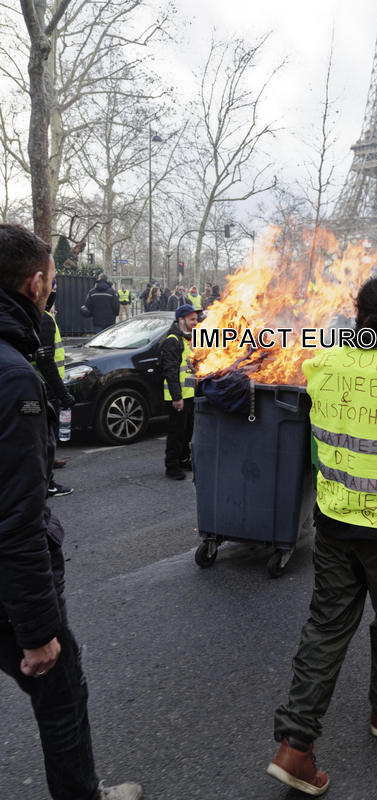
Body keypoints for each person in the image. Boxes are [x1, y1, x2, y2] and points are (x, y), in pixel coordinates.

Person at [267, 275, 377, 795]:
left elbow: (317, 438)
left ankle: (294, 746)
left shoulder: (321, 364)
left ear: (357, 313)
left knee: (326, 626)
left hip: (334, 521)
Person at [0, 223, 142, 800]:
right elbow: (15, 520)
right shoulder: (13, 378)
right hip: (11, 589)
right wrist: (37, 634)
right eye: (53, 280)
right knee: (61, 693)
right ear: (36, 284)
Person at [34, 278, 74, 497]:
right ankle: (46, 482)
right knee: (45, 437)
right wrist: (63, 393)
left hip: (39, 387)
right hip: (46, 388)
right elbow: (46, 361)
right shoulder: (45, 319)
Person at [159, 303, 198, 480]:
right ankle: (171, 466)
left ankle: (183, 459)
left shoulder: (186, 339)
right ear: (181, 320)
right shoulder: (172, 341)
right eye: (192, 319)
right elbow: (170, 371)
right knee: (176, 432)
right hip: (178, 397)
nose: (195, 322)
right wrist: (177, 397)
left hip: (189, 395)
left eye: (196, 319)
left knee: (187, 431)